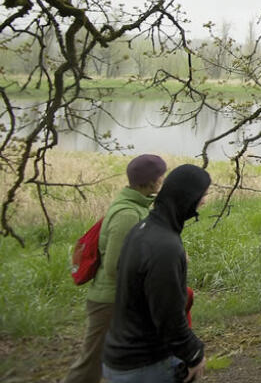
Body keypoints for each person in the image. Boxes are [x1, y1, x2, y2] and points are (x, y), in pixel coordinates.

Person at [61, 154, 168, 383]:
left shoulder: (136, 207)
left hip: (117, 300)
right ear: (150, 181)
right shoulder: (127, 214)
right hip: (110, 302)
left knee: (112, 361)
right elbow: (116, 267)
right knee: (90, 364)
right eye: (161, 175)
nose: (163, 179)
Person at [102, 163, 211, 383]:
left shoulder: (144, 229)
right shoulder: (164, 246)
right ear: (187, 197)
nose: (204, 201)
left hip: (123, 355)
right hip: (146, 364)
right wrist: (194, 354)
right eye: (202, 195)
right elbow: (168, 316)